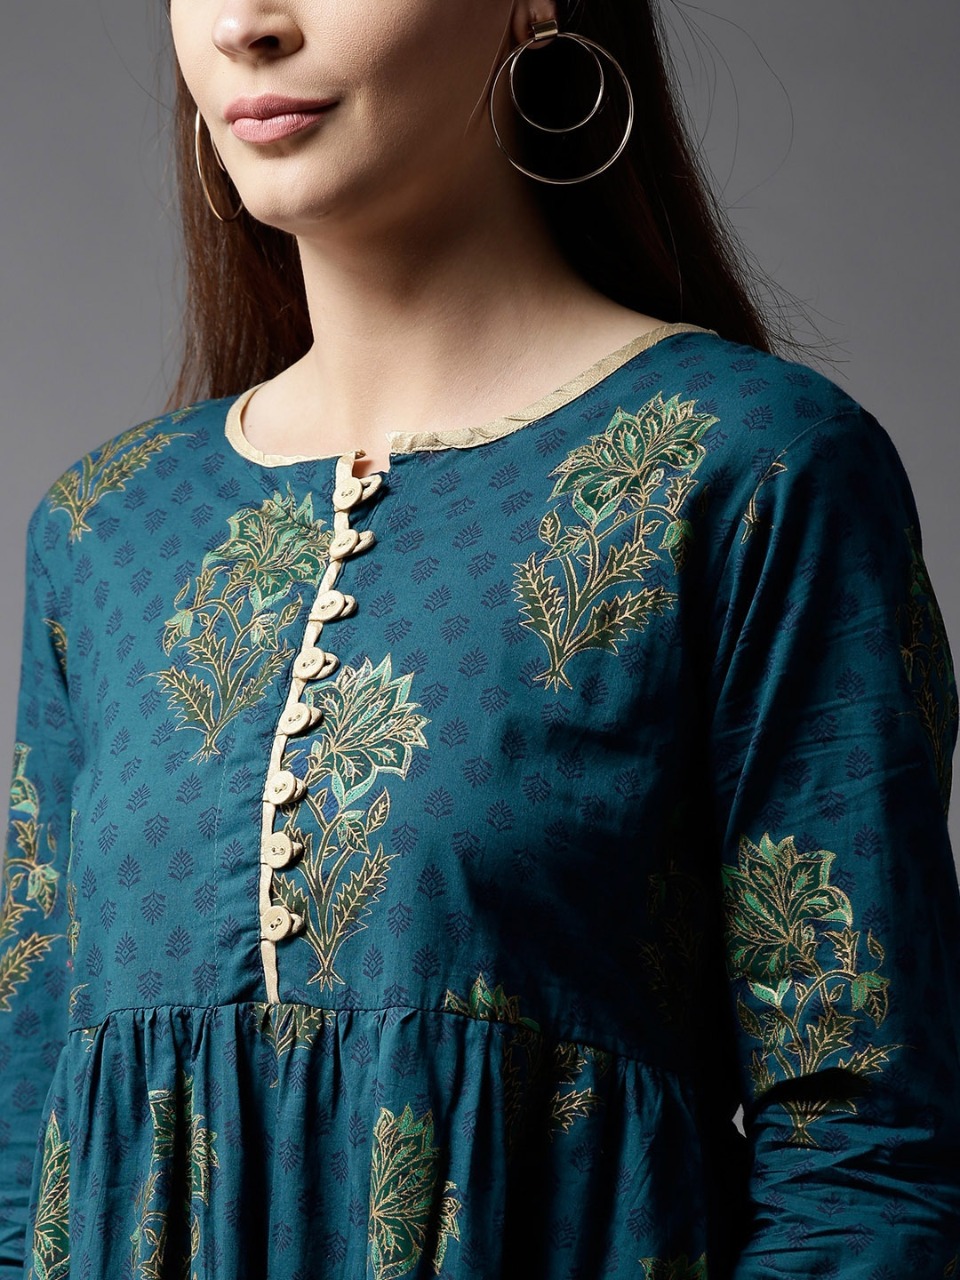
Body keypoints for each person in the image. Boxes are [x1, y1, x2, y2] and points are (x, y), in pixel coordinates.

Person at [1, 0, 958, 1275]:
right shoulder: (104, 527)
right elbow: (27, 1147)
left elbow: (866, 1161)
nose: (245, 23)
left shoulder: (755, 471)